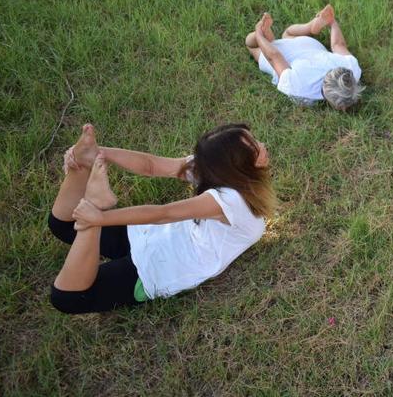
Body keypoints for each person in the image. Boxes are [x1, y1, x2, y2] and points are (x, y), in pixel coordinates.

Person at [47, 123, 278, 314]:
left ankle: (88, 184)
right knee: (67, 298)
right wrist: (100, 156)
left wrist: (101, 217)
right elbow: (162, 211)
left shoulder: (217, 175)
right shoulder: (231, 198)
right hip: (160, 265)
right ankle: (91, 183)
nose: (263, 146)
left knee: (63, 228)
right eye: (255, 147)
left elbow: (153, 170)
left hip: (153, 242)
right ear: (236, 166)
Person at [245, 5, 364, 110]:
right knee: (251, 46)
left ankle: (309, 27)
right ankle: (262, 37)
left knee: (288, 34)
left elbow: (338, 45)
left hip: (308, 44)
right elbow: (274, 57)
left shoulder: (351, 68)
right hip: (283, 55)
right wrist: (259, 34)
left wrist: (332, 22)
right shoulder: (302, 91)